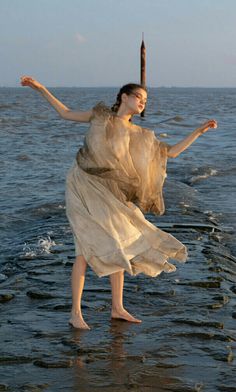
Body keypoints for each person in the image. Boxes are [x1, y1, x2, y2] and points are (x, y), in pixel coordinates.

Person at [20, 76, 217, 330]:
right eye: (138, 97)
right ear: (124, 97)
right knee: (83, 248)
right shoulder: (100, 116)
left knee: (119, 244)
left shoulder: (139, 134)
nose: (142, 103)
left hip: (111, 191)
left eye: (145, 101)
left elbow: (171, 152)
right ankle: (76, 313)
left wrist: (198, 131)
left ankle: (117, 308)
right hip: (83, 183)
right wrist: (40, 88)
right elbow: (65, 113)